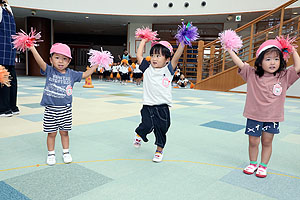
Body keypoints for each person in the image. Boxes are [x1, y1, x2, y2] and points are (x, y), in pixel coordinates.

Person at [227, 39, 300, 178]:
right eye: (268, 59)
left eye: (276, 59)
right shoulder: (252, 74)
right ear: (260, 62)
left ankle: (263, 165)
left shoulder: (284, 76)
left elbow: (298, 66)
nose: (272, 62)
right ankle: (253, 163)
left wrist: (293, 50)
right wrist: (230, 50)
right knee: (253, 141)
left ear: (281, 60)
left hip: (272, 117)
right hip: (254, 116)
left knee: (267, 141)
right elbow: (240, 63)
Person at [29, 43, 98, 166]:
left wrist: (96, 64)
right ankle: (51, 154)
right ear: (51, 59)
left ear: (69, 61)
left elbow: (85, 74)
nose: (60, 61)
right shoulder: (49, 71)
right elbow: (39, 61)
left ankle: (66, 152)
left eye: (64, 59)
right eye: (57, 58)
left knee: (64, 132)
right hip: (50, 110)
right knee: (51, 133)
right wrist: (32, 48)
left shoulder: (71, 74)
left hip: (65, 110)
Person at [133, 39, 185, 162]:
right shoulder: (147, 68)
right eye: (152, 55)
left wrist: (183, 42)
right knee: (146, 125)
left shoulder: (168, 70)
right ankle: (139, 133)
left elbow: (177, 56)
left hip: (163, 107)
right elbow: (139, 55)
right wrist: (143, 40)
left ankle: (159, 150)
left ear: (167, 59)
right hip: (148, 105)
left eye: (158, 55)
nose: (154, 58)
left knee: (161, 129)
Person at [0, 0, 19, 117]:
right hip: (10, 52)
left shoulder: (2, 10)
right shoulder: (9, 10)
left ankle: (4, 109)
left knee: (2, 80)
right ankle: (13, 106)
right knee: (11, 79)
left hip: (1, 50)